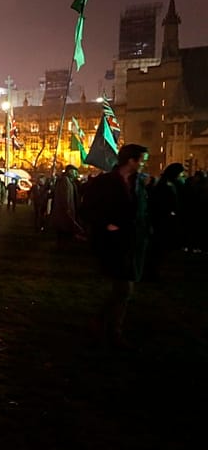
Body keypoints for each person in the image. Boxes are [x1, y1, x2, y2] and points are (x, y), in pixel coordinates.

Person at [84, 144, 150, 349]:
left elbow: (141, 210)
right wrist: (106, 224)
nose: (143, 164)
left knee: (124, 288)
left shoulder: (139, 182)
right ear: (131, 160)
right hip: (113, 242)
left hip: (133, 242)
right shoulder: (105, 182)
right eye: (142, 160)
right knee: (124, 288)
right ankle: (112, 330)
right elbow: (88, 209)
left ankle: (102, 324)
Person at [146, 162, 186, 281]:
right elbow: (162, 202)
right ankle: (152, 272)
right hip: (162, 220)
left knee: (161, 247)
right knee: (159, 247)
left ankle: (154, 270)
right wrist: (170, 212)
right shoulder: (164, 185)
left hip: (164, 219)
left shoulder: (167, 183)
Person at [50, 165, 83, 247]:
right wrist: (67, 208)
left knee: (65, 230)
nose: (76, 174)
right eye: (75, 172)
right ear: (70, 171)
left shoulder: (69, 181)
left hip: (67, 211)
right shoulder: (65, 181)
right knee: (63, 230)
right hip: (65, 211)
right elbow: (65, 196)